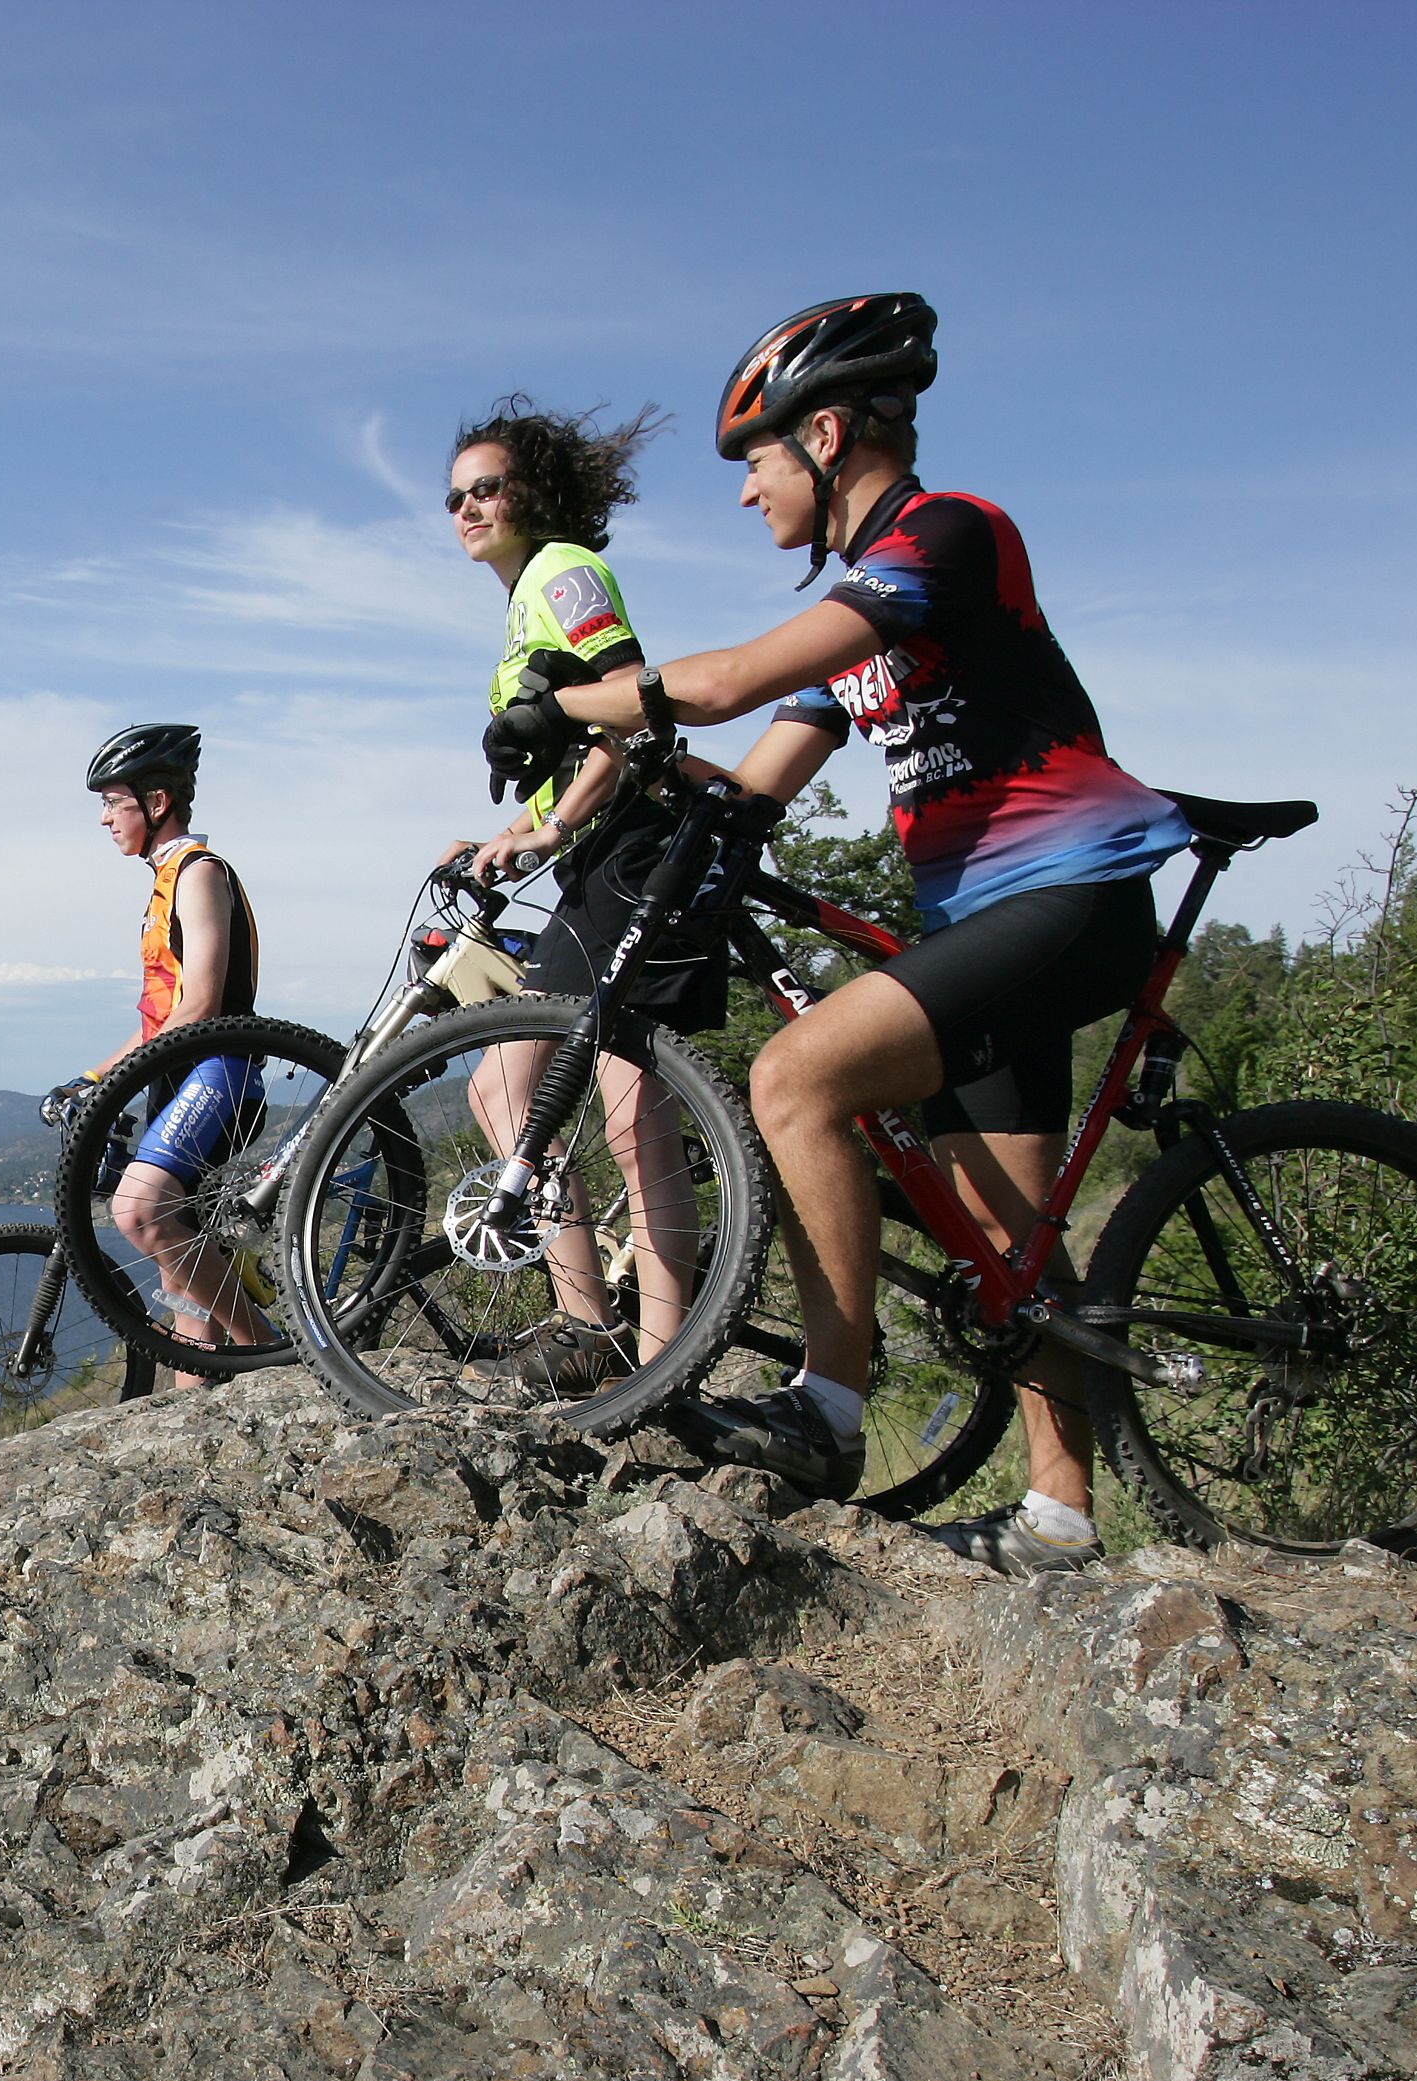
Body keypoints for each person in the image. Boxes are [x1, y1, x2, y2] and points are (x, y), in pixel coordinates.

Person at [520, 294, 1192, 1573]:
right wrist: (618, 781)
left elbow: (726, 679)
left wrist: (567, 700)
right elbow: (748, 775)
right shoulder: (868, 624)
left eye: (757, 462)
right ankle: (1061, 1517)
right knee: (1006, 1239)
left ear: (824, 436)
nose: (745, 493)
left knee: (794, 1076)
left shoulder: (944, 537)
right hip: (994, 915)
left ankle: (828, 1413)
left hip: (1067, 895)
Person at [434, 398, 728, 1392]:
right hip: (603, 855)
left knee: (586, 1101)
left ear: (535, 494)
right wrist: (518, 833)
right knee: (560, 1097)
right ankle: (617, 1344)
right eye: (455, 496)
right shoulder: (530, 596)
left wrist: (552, 828)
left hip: (640, 850)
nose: (468, 506)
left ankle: (630, 1350)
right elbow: (579, 748)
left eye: (488, 487)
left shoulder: (564, 573)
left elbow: (635, 710)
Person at [43, 723, 271, 1377]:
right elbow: (158, 1021)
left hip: (219, 1073)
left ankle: (272, 1357)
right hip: (175, 1079)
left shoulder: (199, 875)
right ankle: (194, 1411)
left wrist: (112, 1081)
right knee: (181, 1276)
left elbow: (198, 1006)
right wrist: (92, 1077)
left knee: (138, 1212)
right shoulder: (162, 883)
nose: (103, 818)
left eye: (113, 802)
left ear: (158, 802)